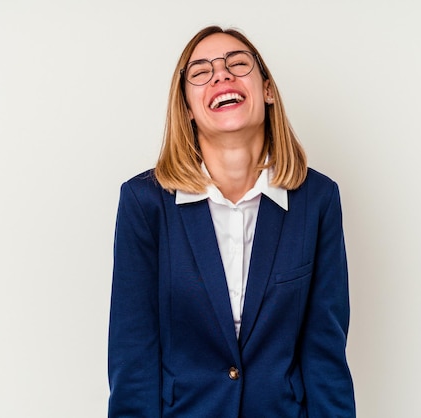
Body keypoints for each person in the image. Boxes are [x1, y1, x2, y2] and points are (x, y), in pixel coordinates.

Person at [108, 25, 355, 417]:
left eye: (238, 64)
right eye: (201, 72)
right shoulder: (144, 203)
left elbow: (325, 355)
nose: (222, 74)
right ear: (187, 107)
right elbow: (132, 356)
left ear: (267, 91)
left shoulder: (318, 199)